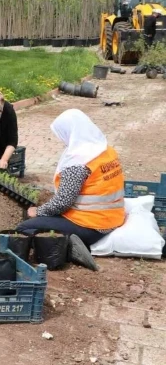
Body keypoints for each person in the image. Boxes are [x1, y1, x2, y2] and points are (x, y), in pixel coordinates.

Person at [17, 109, 126, 271]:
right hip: (113, 217)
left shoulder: (78, 161)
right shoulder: (105, 149)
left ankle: (71, 248)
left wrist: (38, 211)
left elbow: (62, 203)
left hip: (91, 225)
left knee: (23, 228)